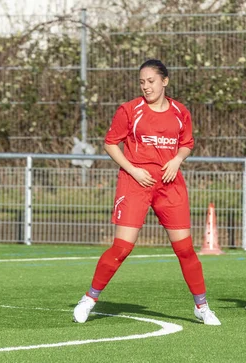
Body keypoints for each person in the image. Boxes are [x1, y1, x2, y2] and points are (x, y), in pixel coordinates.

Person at [72, 59, 221, 326]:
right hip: (135, 183)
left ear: (165, 81)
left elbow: (187, 143)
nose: (146, 86)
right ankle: (89, 299)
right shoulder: (129, 110)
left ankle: (202, 306)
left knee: (185, 249)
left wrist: (177, 160)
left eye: (151, 81)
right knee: (122, 247)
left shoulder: (180, 111)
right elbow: (110, 144)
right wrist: (134, 169)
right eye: (142, 82)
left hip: (170, 184)